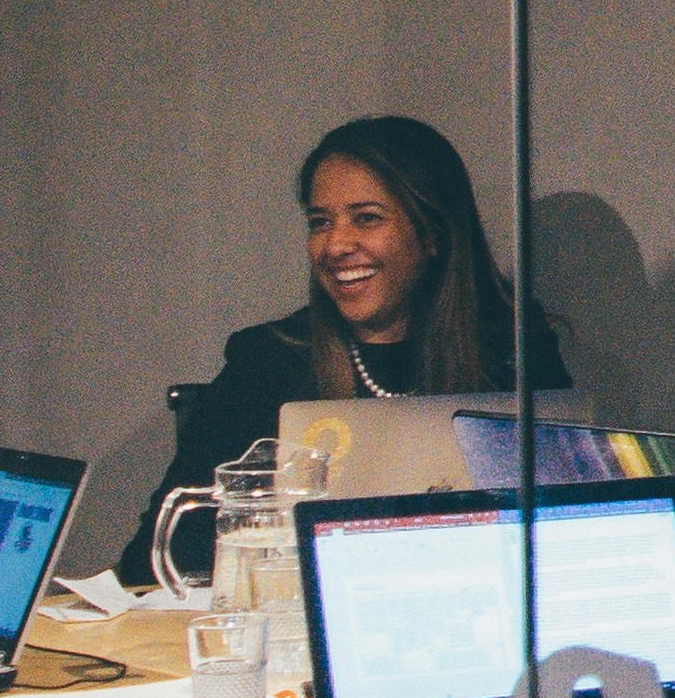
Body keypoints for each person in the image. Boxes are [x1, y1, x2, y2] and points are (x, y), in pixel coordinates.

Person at [115, 113, 566, 585]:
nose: (335, 245)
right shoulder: (269, 361)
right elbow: (152, 565)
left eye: (366, 219)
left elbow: (571, 534)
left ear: (432, 233)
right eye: (320, 222)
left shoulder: (512, 349)